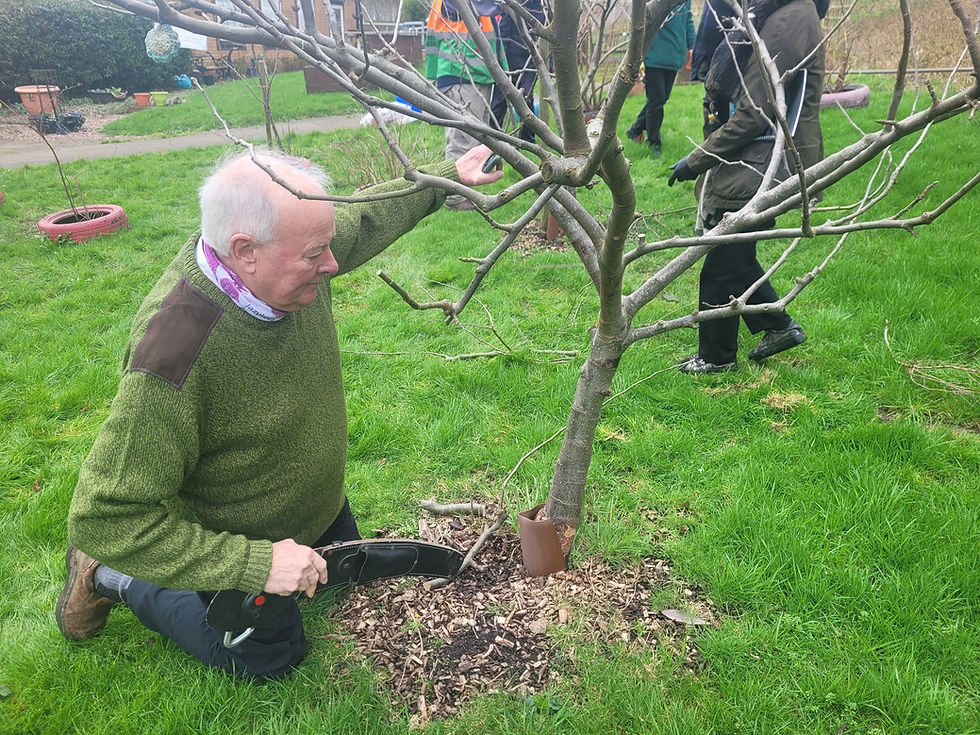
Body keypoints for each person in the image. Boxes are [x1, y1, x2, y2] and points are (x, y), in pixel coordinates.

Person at [56, 146, 503, 679]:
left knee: (345, 591)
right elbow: (104, 516)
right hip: (240, 538)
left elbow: (364, 217)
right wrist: (257, 563)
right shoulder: (174, 357)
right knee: (271, 661)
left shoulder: (286, 256)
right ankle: (110, 578)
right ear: (246, 251)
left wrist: (446, 179)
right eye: (316, 254)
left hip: (315, 508)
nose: (333, 264)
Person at [667, 0, 826, 373]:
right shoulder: (781, 13)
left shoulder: (789, 20)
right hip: (757, 159)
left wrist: (696, 160)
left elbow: (756, 113)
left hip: (767, 160)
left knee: (723, 264)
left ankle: (716, 359)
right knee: (735, 257)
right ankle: (778, 326)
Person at [425, 0, 507, 209]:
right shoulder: (451, 3)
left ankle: (466, 192)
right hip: (460, 75)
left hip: (477, 75)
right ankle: (454, 198)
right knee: (463, 138)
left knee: (474, 136)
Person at [625, 0, 696, 157]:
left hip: (674, 57)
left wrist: (693, 47)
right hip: (653, 57)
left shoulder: (685, 2)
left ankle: (635, 129)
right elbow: (638, 20)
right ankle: (654, 143)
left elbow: (688, 22)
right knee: (656, 101)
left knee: (661, 98)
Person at [488, 0, 546, 143]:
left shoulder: (536, 7)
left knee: (526, 98)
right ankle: (492, 138)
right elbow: (502, 33)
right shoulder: (506, 6)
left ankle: (528, 139)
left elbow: (545, 38)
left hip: (527, 61)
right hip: (505, 61)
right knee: (499, 100)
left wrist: (546, 63)